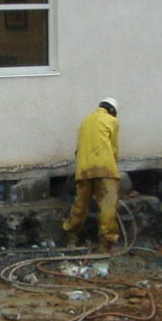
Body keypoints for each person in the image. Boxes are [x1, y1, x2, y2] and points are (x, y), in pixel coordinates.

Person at [62, 99, 121, 249]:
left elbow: (79, 148)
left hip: (84, 169)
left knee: (80, 205)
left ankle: (71, 237)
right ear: (112, 110)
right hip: (105, 168)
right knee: (107, 207)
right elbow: (113, 147)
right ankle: (106, 243)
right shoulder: (112, 120)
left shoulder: (85, 121)